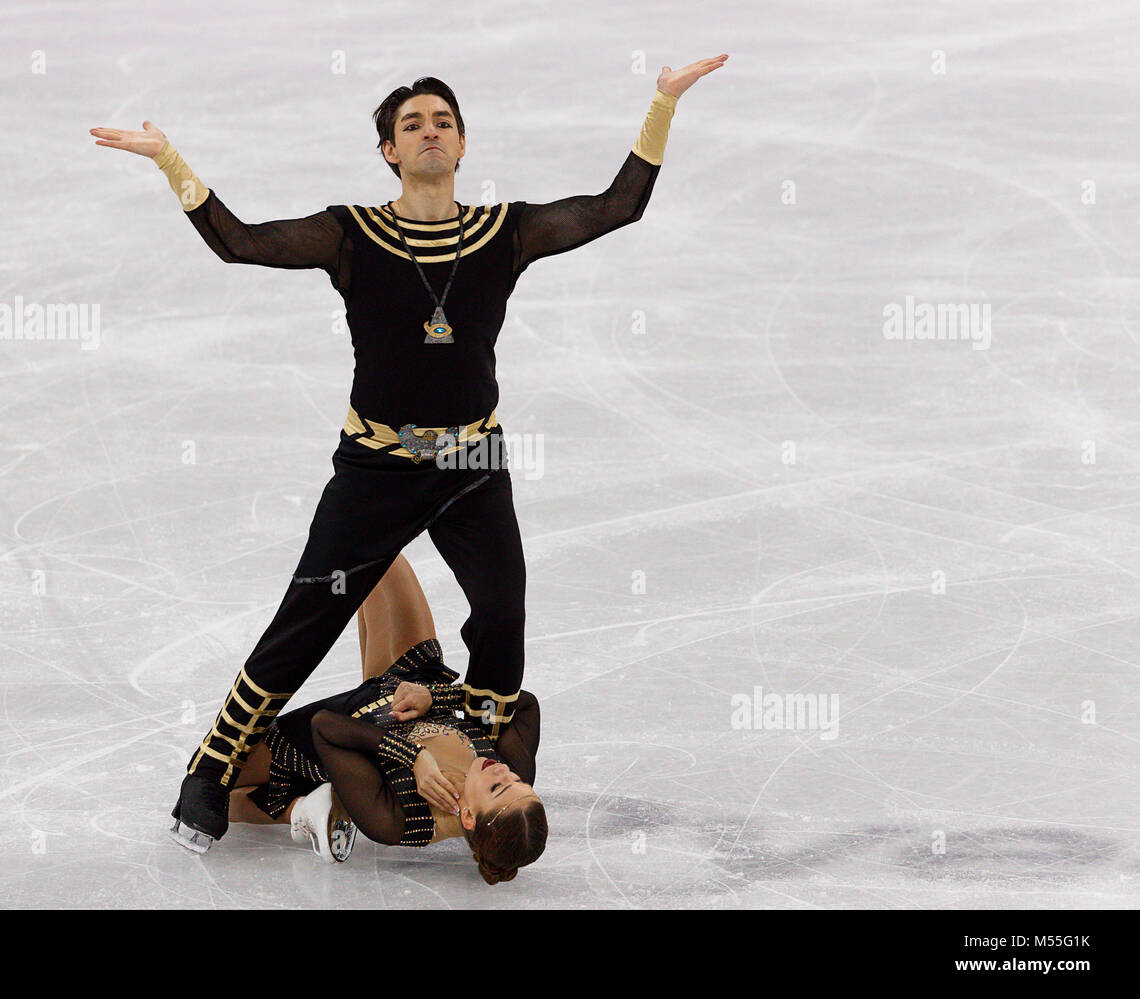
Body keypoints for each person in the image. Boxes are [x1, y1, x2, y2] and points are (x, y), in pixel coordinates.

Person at [88, 54, 729, 853]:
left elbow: (617, 206)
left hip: (470, 466)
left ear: (462, 145)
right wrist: (170, 161)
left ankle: (479, 753)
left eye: (443, 121)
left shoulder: (506, 232)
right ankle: (210, 768)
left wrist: (662, 102)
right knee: (304, 620)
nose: (430, 131)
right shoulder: (352, 234)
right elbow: (239, 243)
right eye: (412, 124)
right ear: (390, 150)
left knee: (503, 614)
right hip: (377, 466)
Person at [226, 552, 545, 885]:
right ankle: (325, 800)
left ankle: (304, 809)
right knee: (377, 551)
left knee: (216, 788)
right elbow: (523, 705)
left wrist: (416, 758)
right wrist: (436, 696)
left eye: (497, 787)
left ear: (467, 815)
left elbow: (327, 728)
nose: (504, 771)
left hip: (337, 730)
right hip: (409, 682)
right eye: (519, 782)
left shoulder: (399, 820)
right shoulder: (509, 772)